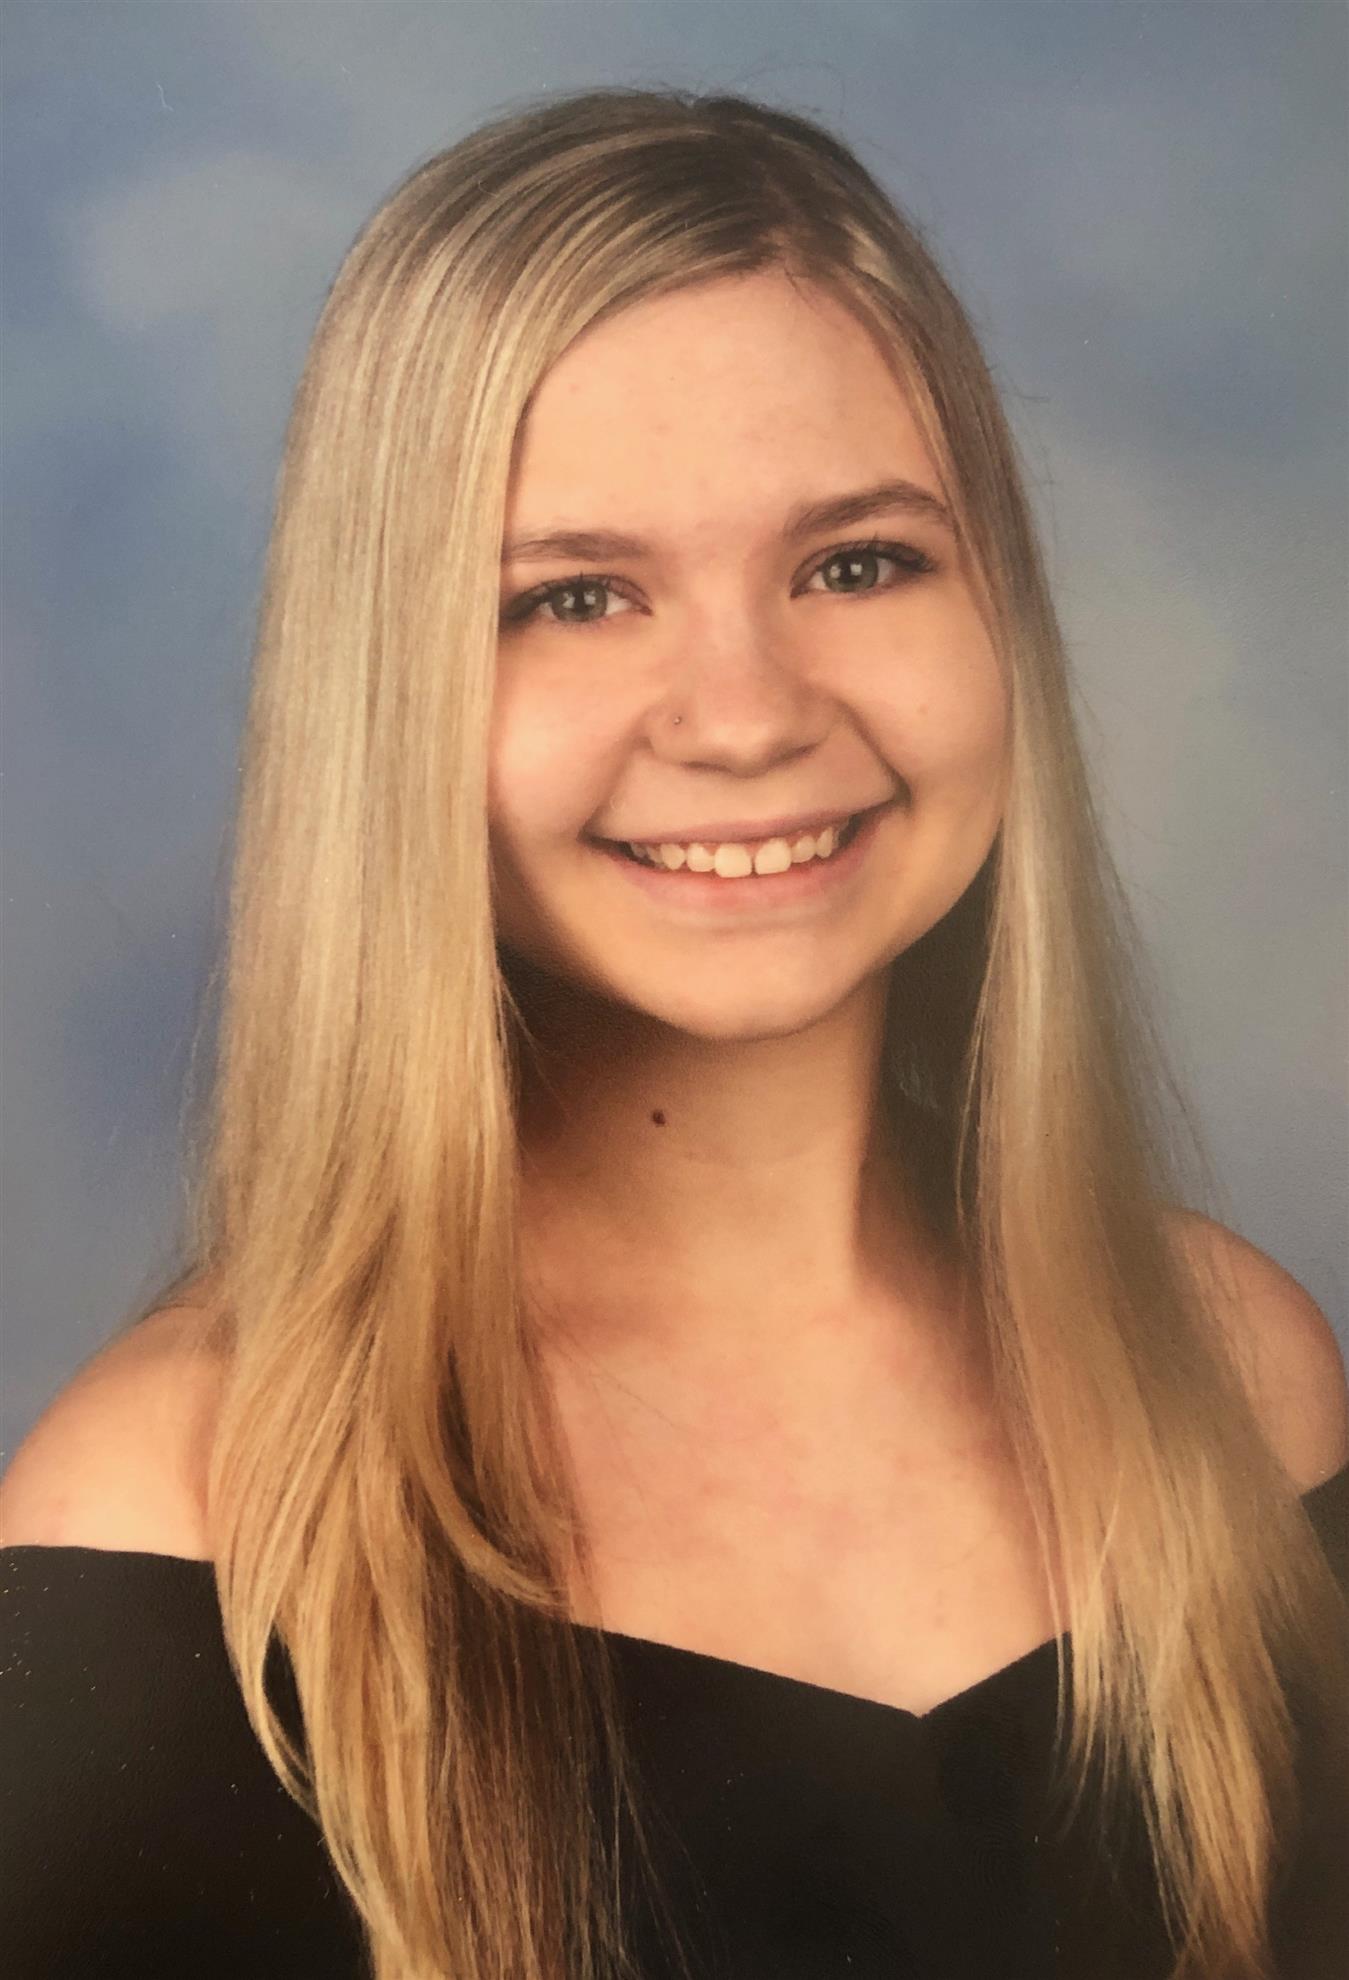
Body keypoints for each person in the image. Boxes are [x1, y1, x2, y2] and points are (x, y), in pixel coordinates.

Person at [1, 85, 1345, 1980]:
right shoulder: (187, 1519)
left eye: (856, 563)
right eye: (573, 597)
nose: (744, 713)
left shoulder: (1226, 1374)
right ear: (389, 696)